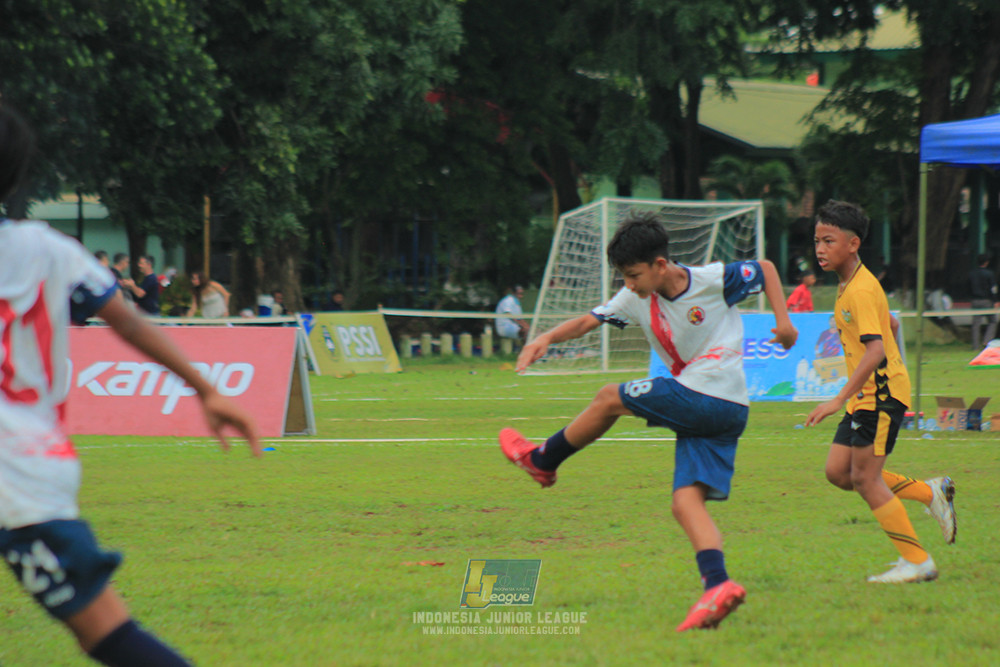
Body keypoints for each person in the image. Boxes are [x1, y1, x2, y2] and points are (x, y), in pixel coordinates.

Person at [0, 105, 261, 667]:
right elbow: (130, 321)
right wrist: (203, 387)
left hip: (14, 473)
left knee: (107, 634)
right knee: (107, 635)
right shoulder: (46, 249)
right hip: (27, 466)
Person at [498, 212, 798, 632]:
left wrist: (784, 324)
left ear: (660, 265)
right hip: (725, 412)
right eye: (624, 276)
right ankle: (718, 585)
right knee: (684, 501)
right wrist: (545, 337)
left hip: (711, 394)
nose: (629, 284)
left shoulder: (711, 279)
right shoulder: (635, 298)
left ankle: (543, 460)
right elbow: (588, 321)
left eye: (634, 274)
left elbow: (764, 269)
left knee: (609, 397)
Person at [805, 200, 956, 584]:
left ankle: (917, 560)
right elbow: (889, 324)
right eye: (817, 240)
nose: (820, 249)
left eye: (829, 240)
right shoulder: (853, 284)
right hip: (867, 397)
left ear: (853, 243)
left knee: (866, 479)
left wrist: (838, 398)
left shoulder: (858, 289)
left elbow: (875, 348)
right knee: (838, 472)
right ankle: (929, 492)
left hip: (881, 397)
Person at [968, 253, 999, 350]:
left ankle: (975, 345)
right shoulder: (989, 273)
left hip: (975, 300)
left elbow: (968, 287)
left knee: (976, 324)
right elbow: (993, 288)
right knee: (993, 321)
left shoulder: (972, 273)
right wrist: (995, 300)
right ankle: (987, 341)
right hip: (987, 301)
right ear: (987, 262)